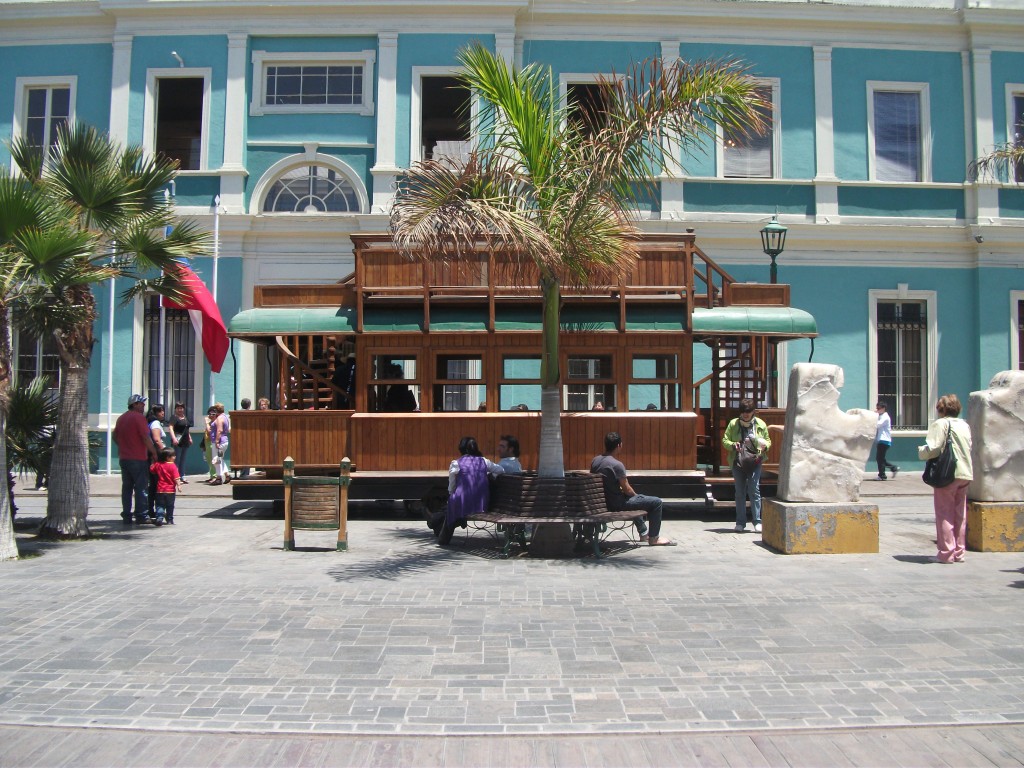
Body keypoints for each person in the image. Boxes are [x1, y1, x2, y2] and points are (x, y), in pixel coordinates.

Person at [591, 431, 675, 546]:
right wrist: (637, 496)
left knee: (634, 500)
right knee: (656, 502)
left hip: (601, 503)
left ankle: (644, 533)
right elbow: (627, 490)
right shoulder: (616, 465)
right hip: (616, 505)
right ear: (619, 445)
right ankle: (654, 538)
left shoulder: (595, 461)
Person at [918, 394, 974, 564]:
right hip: (965, 472)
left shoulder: (940, 424)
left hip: (948, 473)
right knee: (960, 514)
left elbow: (933, 448)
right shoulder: (964, 425)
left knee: (944, 513)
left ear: (941, 409)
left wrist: (921, 451)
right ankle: (959, 552)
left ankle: (946, 553)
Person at [437, 436, 504, 545]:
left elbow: (451, 485)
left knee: (450, 507)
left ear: (461, 448)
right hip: (481, 503)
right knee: (448, 510)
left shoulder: (456, 463)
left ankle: (442, 537)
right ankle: (436, 521)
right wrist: (490, 476)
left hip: (462, 502)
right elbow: (501, 470)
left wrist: (451, 496)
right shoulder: (483, 461)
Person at [723, 399, 771, 533]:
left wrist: (765, 446)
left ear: (753, 412)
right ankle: (740, 522)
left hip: (755, 460)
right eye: (743, 412)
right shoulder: (734, 423)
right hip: (737, 461)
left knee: (754, 490)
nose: (745, 414)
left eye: (748, 412)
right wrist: (733, 445)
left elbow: (767, 441)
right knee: (740, 492)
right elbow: (725, 440)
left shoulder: (760, 424)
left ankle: (757, 521)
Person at [112, 394, 157, 525]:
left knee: (126, 487)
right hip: (138, 458)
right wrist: (154, 452)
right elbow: (145, 438)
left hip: (124, 457)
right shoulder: (139, 418)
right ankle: (141, 515)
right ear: (135, 404)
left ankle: (126, 514)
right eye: (141, 404)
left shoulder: (121, 418)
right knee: (141, 487)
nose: (143, 406)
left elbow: (115, 436)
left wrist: (124, 446)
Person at [149, 447, 183, 526]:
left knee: (160, 505)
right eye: (173, 456)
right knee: (170, 505)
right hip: (170, 490)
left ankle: (159, 518)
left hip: (160, 489)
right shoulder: (173, 466)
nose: (175, 457)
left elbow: (152, 470)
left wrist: (152, 462)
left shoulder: (158, 464)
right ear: (168, 457)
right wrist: (179, 485)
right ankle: (170, 519)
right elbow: (176, 477)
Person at [146, 404, 168, 518]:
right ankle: (156, 510)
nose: (163, 413)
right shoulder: (155, 423)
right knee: (157, 484)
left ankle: (151, 509)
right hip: (157, 456)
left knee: (153, 485)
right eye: (160, 411)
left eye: (163, 410)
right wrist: (166, 453)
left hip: (153, 455)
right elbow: (156, 440)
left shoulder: (152, 422)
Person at [873, 401, 899, 480]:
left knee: (879, 459)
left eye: (879, 408)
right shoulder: (880, 416)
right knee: (881, 459)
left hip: (884, 440)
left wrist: (871, 419)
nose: (877, 410)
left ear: (883, 408)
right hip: (881, 440)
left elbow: (878, 424)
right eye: (877, 408)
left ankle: (882, 475)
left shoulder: (885, 417)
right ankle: (894, 468)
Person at [168, 402, 192, 484]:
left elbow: (187, 429)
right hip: (177, 441)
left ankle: (182, 476)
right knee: (176, 459)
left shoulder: (184, 417)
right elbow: (170, 428)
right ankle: (175, 477)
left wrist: (190, 438)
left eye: (181, 408)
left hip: (185, 441)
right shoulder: (174, 417)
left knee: (183, 459)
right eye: (178, 408)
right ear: (175, 409)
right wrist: (174, 438)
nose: (180, 410)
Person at [210, 402, 231, 484]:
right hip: (224, 441)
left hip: (219, 442)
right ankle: (227, 475)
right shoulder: (225, 417)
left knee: (216, 459)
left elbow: (219, 430)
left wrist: (217, 441)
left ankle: (219, 478)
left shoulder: (219, 418)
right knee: (220, 458)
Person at [202, 406, 218, 483]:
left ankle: (215, 475)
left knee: (213, 459)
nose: (211, 415)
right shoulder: (210, 422)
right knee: (208, 459)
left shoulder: (215, 422)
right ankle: (212, 475)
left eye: (213, 414)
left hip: (212, 442)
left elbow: (209, 431)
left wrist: (207, 423)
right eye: (209, 414)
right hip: (207, 442)